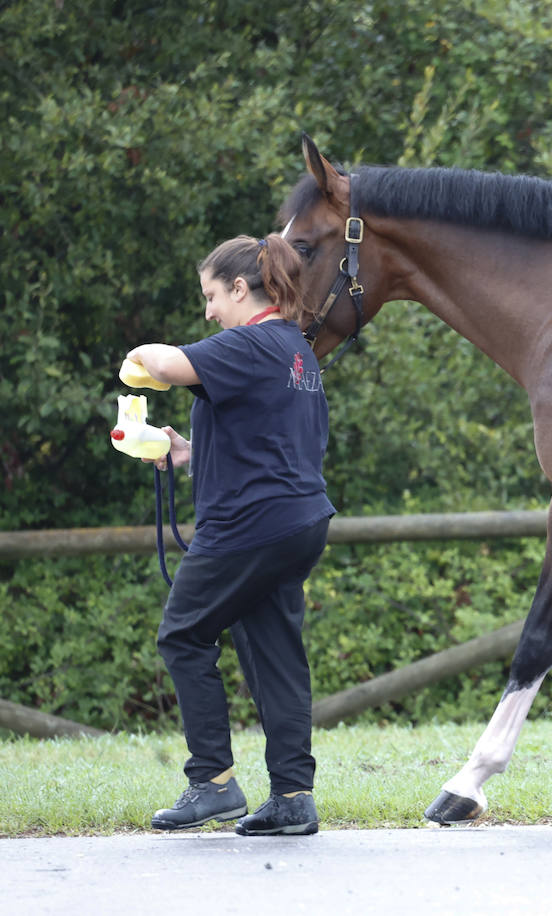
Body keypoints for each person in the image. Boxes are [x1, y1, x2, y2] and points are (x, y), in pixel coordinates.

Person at [125, 234, 334, 836]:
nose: (209, 311)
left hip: (250, 525)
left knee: (183, 635)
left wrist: (137, 353)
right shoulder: (295, 350)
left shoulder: (250, 341)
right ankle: (293, 796)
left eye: (212, 295)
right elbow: (271, 442)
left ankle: (211, 782)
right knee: (275, 655)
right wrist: (187, 452)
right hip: (298, 519)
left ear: (240, 288)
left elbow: (165, 366)